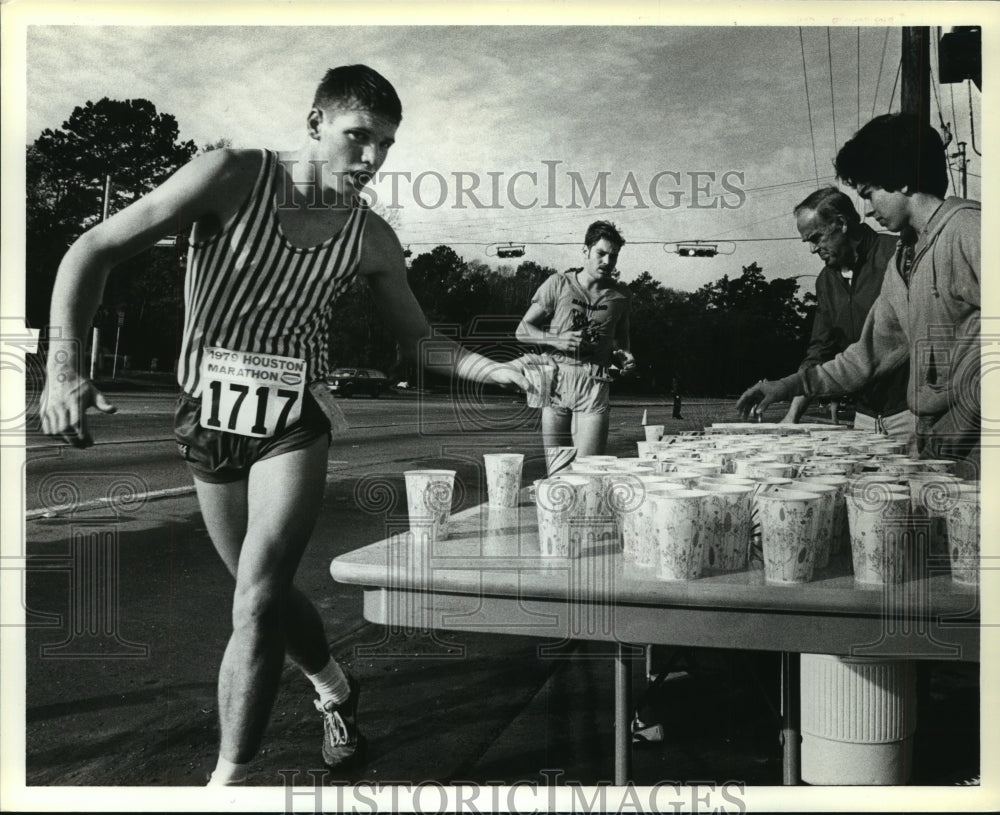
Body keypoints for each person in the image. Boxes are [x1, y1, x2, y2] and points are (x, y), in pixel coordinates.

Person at [39, 64, 527, 785]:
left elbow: (419, 340)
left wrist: (498, 370)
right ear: (314, 124)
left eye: (386, 145)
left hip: (293, 419)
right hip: (207, 412)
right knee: (257, 587)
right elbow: (93, 250)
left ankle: (228, 783)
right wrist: (63, 368)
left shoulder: (368, 238)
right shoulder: (231, 176)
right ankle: (334, 684)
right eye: (357, 137)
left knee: (259, 598)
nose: (371, 161)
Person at [737, 113, 980, 479]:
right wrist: (790, 385)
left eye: (869, 193)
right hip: (937, 452)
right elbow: (866, 356)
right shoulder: (905, 260)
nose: (867, 208)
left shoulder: (969, 230)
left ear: (899, 181)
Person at [780, 186, 913, 447]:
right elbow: (819, 351)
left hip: (910, 414)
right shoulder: (825, 281)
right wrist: (792, 415)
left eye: (816, 238)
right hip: (863, 417)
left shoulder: (898, 255)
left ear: (841, 223)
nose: (813, 250)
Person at [516, 221, 634, 457]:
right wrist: (557, 339)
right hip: (556, 380)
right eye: (601, 253)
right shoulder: (559, 283)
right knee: (558, 471)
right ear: (585, 250)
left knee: (588, 473)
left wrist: (625, 357)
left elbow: (622, 342)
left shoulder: (621, 296)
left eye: (614, 256)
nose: (607, 262)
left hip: (594, 383)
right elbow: (522, 330)